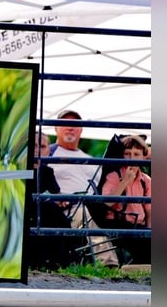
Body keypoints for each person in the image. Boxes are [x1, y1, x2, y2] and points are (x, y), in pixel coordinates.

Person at [48, 110, 119, 267]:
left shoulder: (91, 160)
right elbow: (39, 180)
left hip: (97, 206)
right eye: (65, 124)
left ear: (81, 130)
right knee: (87, 215)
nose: (70, 128)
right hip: (69, 209)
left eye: (75, 125)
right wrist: (53, 198)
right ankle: (109, 265)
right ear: (55, 128)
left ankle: (144, 264)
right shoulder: (48, 153)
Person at [28, 131, 77, 269]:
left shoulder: (47, 172)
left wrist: (61, 200)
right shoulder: (15, 169)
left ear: (48, 151)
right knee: (51, 211)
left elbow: (56, 192)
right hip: (25, 211)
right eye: (33, 145)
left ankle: (62, 259)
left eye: (42, 146)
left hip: (44, 211)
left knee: (55, 213)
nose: (36, 150)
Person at [100, 134, 151, 263]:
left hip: (140, 225)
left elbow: (150, 210)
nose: (131, 158)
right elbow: (107, 203)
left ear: (144, 157)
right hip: (119, 223)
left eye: (136, 154)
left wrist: (149, 231)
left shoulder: (146, 180)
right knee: (145, 247)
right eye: (127, 153)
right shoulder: (115, 176)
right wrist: (125, 182)